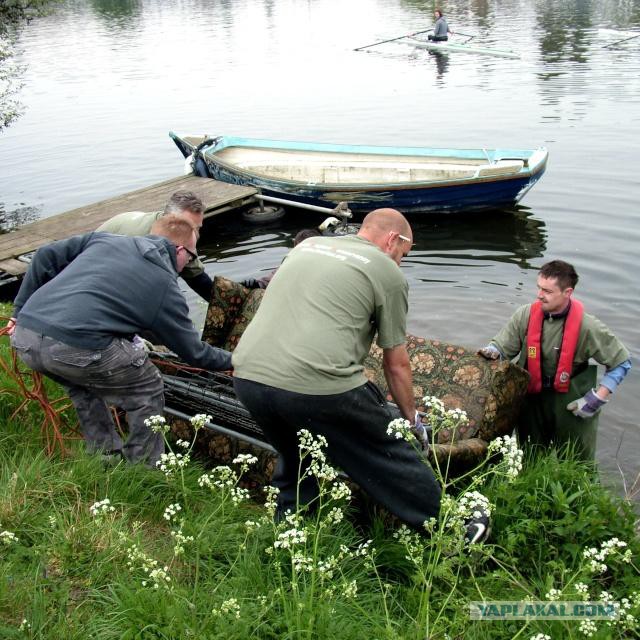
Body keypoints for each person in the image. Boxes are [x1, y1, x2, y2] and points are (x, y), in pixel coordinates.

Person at [232, 208, 487, 542]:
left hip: (248, 377)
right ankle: (453, 530)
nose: (400, 263)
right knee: (389, 449)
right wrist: (411, 421)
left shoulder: (307, 247)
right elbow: (396, 364)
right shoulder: (387, 271)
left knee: (297, 455)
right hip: (319, 386)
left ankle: (290, 533)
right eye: (404, 255)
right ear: (393, 239)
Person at [8, 215, 232, 466]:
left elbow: (45, 255)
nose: (188, 264)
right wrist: (235, 360)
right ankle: (144, 468)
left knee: (81, 384)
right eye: (191, 257)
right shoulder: (163, 284)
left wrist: (18, 312)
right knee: (147, 388)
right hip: (73, 346)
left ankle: (104, 456)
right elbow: (194, 353)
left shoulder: (105, 240)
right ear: (180, 250)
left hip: (25, 335)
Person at [479, 260, 631, 461]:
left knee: (577, 461)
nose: (539, 295)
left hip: (570, 401)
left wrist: (596, 399)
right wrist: (492, 351)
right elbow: (501, 348)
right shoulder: (525, 315)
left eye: (547, 291)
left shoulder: (588, 326)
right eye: (539, 288)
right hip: (532, 397)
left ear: (567, 293)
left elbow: (621, 362)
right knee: (529, 458)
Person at [97, 190, 214, 301]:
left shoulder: (183, 236)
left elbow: (197, 278)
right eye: (189, 227)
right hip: (102, 259)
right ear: (169, 219)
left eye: (197, 228)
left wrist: (227, 309)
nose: (195, 234)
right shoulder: (142, 242)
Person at [240, 227, 322, 290]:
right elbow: (267, 282)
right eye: (301, 251)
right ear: (294, 250)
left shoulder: (323, 268)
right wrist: (255, 284)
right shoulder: (288, 266)